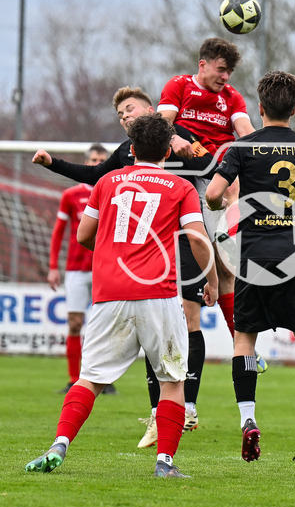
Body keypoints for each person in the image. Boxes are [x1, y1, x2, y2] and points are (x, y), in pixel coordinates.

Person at [32, 86, 258, 448]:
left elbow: (211, 168)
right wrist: (54, 164)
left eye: (130, 108)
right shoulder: (133, 161)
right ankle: (166, 432)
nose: (124, 116)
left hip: (135, 269)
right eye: (120, 113)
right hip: (167, 257)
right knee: (178, 347)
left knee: (180, 325)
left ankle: (63, 442)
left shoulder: (169, 149)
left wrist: (189, 144)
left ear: (153, 111)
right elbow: (96, 174)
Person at [25, 114, 218, 478]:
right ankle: (165, 463)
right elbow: (196, 238)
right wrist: (213, 280)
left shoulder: (108, 181)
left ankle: (59, 444)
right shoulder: (181, 187)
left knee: (91, 379)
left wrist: (113, 253)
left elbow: (84, 235)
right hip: (158, 294)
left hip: (109, 294)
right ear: (166, 151)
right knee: (173, 382)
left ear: (131, 149)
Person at [205, 70, 295, 466]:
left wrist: (221, 207)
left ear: (259, 108)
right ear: (293, 108)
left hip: (251, 258)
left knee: (245, 341)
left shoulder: (242, 148)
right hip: (293, 259)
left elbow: (212, 193)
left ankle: (249, 421)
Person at [157, 37, 256, 340]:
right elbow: (162, 122)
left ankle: (243, 344)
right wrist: (174, 138)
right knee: (176, 266)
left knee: (224, 268)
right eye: (221, 69)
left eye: (229, 73)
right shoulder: (180, 86)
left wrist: (269, 149)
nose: (225, 77)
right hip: (177, 179)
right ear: (203, 65)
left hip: (214, 182)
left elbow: (247, 133)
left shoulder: (232, 98)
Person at [46, 143, 109, 394]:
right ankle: (74, 379)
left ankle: (103, 378)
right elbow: (58, 233)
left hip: (105, 268)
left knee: (103, 325)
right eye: (93, 159)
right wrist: (53, 266)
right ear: (86, 161)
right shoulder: (71, 195)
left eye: (101, 160)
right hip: (76, 268)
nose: (97, 163)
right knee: (74, 324)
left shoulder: (115, 191)